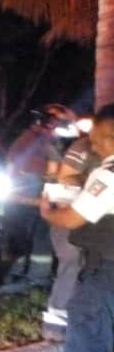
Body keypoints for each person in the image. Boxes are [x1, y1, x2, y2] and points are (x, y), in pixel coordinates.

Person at [38, 105, 114, 352]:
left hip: (106, 270)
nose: (92, 146)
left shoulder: (109, 174)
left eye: (96, 139)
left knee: (86, 341)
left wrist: (48, 211)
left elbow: (72, 219)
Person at [42, 124, 103, 340]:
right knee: (73, 262)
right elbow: (65, 178)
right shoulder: (84, 147)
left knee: (82, 265)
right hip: (71, 214)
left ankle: (66, 322)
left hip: (83, 216)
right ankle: (57, 324)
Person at [3, 104, 77, 272]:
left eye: (58, 120)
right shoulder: (34, 138)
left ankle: (36, 277)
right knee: (22, 237)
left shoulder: (58, 141)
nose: (53, 123)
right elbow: (17, 161)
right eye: (51, 119)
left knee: (40, 237)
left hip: (41, 197)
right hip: (28, 197)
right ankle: (19, 273)